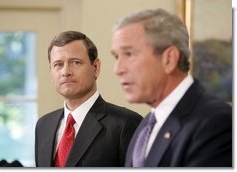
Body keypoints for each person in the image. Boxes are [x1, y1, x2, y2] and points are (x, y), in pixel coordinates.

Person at [111, 9, 232, 167]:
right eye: (116, 56)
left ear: (169, 59)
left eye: (129, 54)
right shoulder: (145, 126)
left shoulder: (216, 123)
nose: (118, 69)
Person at [35, 31, 142, 167]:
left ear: (95, 68)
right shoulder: (43, 126)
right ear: (51, 72)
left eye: (75, 62)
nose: (66, 72)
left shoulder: (126, 124)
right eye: (58, 65)